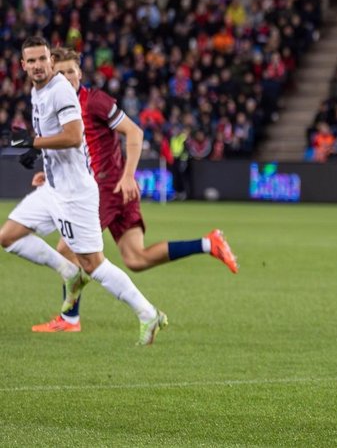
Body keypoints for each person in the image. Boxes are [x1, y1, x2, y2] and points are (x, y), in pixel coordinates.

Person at [27, 47, 239, 333]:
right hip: (110, 187)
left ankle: (70, 319)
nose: (65, 77)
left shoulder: (94, 102)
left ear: (80, 74)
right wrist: (50, 175)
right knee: (136, 258)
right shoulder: (63, 107)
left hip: (106, 188)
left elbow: (135, 132)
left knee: (66, 249)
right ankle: (208, 243)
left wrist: (128, 175)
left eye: (70, 72)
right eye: (60, 72)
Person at [0, 36, 166, 345]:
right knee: (8, 236)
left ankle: (147, 313)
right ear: (22, 66)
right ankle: (68, 272)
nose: (37, 66)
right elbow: (55, 135)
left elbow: (75, 137)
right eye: (31, 61)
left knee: (94, 264)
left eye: (42, 60)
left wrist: (32, 143)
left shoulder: (60, 90)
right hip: (54, 187)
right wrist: (40, 157)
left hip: (76, 194)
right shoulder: (38, 92)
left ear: (51, 61)